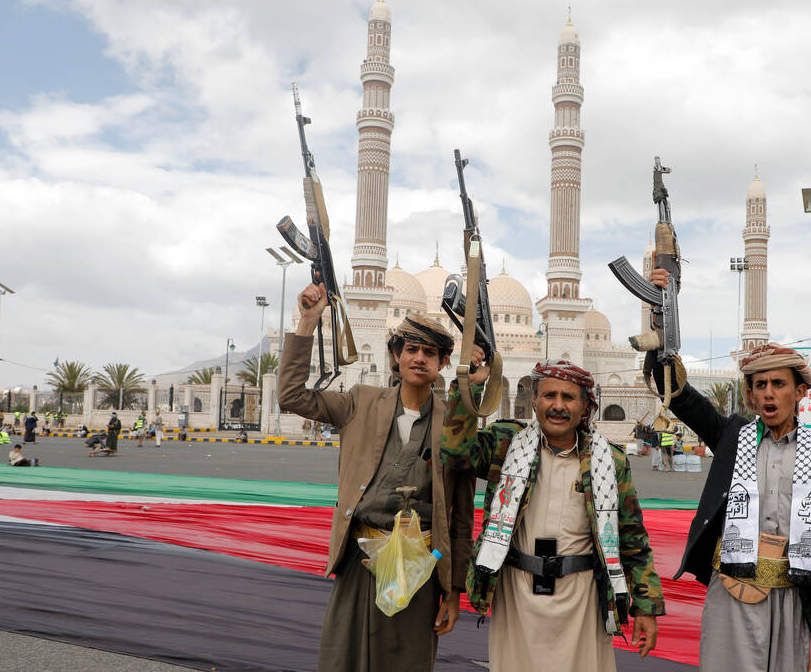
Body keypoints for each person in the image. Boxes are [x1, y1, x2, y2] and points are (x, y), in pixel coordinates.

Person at [652, 262, 811, 672]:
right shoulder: (732, 436)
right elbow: (678, 392)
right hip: (730, 593)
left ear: (801, 391)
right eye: (760, 385)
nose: (769, 394)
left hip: (792, 601)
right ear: (750, 393)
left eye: (778, 384)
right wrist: (659, 316)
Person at [278, 282, 475, 672]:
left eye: (430, 352)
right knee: (343, 660)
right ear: (395, 357)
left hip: (418, 569)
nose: (420, 358)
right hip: (359, 561)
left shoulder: (454, 425)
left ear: (444, 363)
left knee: (404, 662)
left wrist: (454, 593)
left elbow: (461, 518)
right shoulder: (360, 402)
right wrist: (308, 322)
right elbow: (291, 396)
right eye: (412, 349)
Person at [442, 352, 664, 669]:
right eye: (549, 395)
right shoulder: (509, 445)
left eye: (568, 397)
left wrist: (645, 607)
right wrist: (469, 385)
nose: (558, 405)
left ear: (585, 406)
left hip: (581, 601)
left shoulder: (609, 462)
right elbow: (455, 453)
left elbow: (633, 538)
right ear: (534, 401)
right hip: (518, 597)